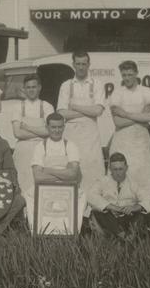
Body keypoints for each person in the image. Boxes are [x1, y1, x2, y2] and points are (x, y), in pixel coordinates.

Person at [56, 51, 106, 218]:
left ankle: (93, 213)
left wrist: (75, 107)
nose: (81, 67)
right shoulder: (65, 85)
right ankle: (73, 212)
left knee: (92, 171)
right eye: (78, 63)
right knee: (73, 170)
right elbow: (62, 113)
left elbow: (98, 110)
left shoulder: (97, 84)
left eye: (84, 63)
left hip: (90, 135)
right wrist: (87, 112)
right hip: (72, 135)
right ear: (73, 65)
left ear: (89, 65)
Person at [108, 60, 150, 200]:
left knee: (142, 175)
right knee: (122, 175)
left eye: (130, 74)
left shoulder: (146, 92)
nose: (127, 78)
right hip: (122, 140)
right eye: (124, 75)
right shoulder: (117, 93)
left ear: (136, 73)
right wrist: (139, 117)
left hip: (141, 141)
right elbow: (117, 122)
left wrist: (126, 114)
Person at [29, 111, 83, 233]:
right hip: (44, 188)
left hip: (67, 188)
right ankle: (39, 233)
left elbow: (73, 174)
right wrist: (64, 174)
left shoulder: (71, 146)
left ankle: (71, 234)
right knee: (30, 197)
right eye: (53, 127)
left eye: (59, 127)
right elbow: (38, 177)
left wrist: (48, 170)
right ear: (47, 127)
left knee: (81, 198)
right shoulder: (40, 146)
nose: (56, 130)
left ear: (64, 127)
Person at [86, 152, 150, 239]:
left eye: (120, 169)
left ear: (126, 168)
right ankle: (125, 237)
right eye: (115, 169)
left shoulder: (133, 183)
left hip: (127, 219)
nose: (118, 173)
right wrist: (111, 207)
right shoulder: (102, 181)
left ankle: (127, 237)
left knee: (142, 214)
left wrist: (135, 207)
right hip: (110, 220)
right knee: (99, 212)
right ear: (109, 169)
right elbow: (90, 196)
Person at [12, 74, 53, 199]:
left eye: (34, 87)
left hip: (41, 149)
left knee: (40, 183)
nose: (31, 90)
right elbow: (17, 133)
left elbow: (50, 131)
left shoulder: (47, 106)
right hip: (23, 150)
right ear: (24, 89)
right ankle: (23, 215)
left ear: (39, 87)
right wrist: (41, 131)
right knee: (23, 182)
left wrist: (27, 127)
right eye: (28, 87)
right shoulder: (18, 107)